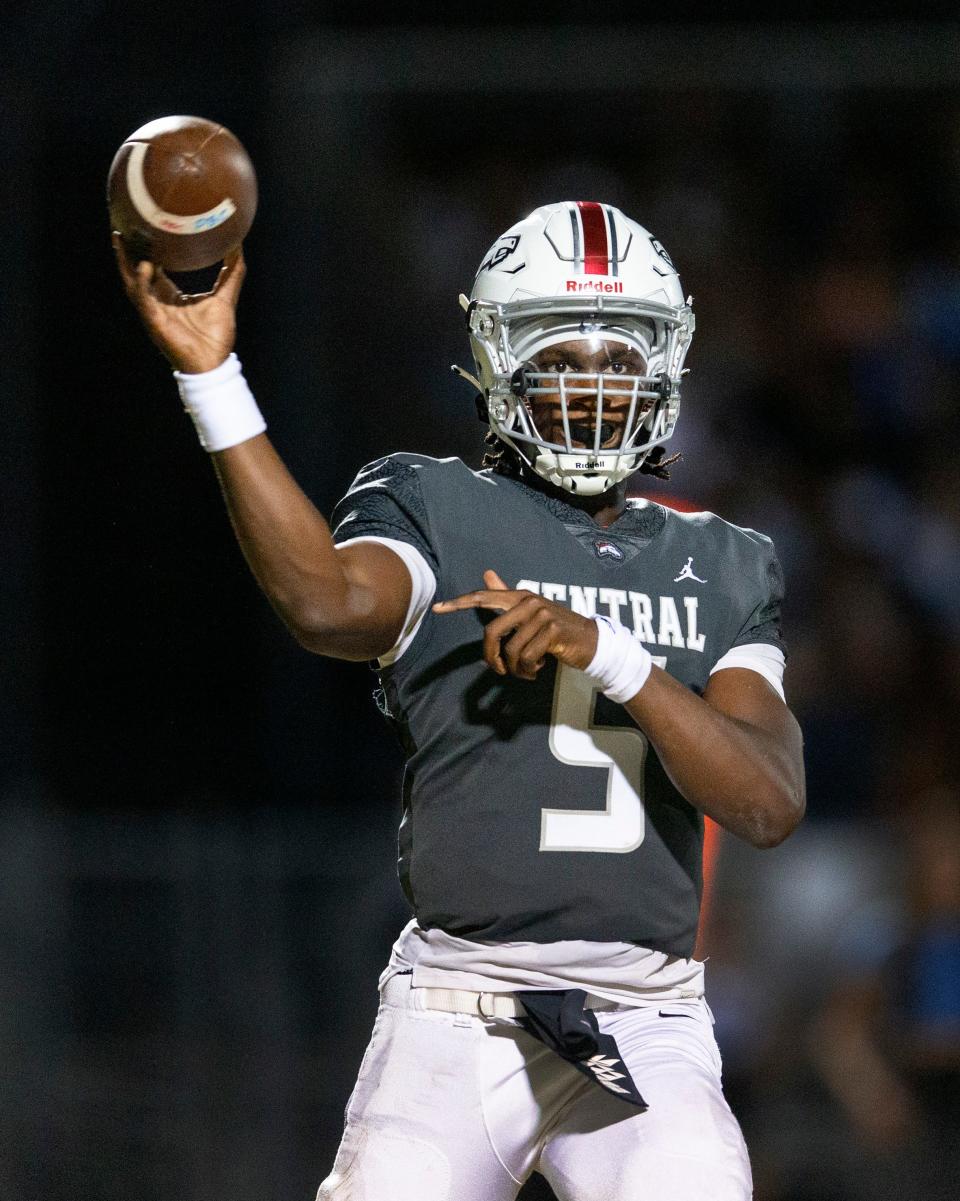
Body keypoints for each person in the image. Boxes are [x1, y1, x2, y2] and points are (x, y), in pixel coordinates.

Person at [113, 200, 805, 1201]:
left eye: (620, 355)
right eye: (559, 349)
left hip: (646, 1017)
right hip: (458, 1002)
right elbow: (323, 598)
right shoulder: (436, 504)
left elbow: (767, 800)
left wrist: (612, 657)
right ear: (496, 355)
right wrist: (212, 377)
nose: (591, 379)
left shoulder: (723, 559)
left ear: (667, 363)